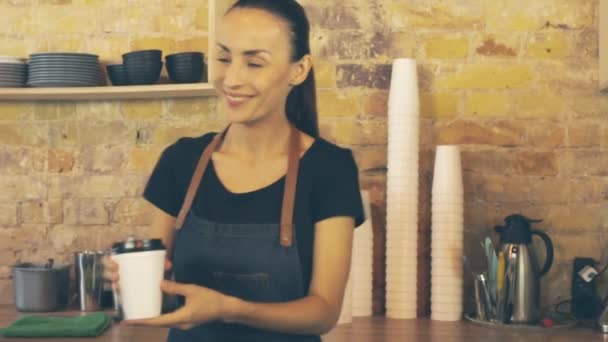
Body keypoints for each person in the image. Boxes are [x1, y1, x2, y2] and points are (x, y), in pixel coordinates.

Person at [104, 0, 364, 341]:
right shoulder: (180, 161)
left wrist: (229, 308)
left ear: (298, 71)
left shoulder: (330, 169)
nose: (232, 78)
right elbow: (163, 293)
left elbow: (323, 312)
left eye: (255, 63)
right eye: (224, 58)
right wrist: (129, 283)